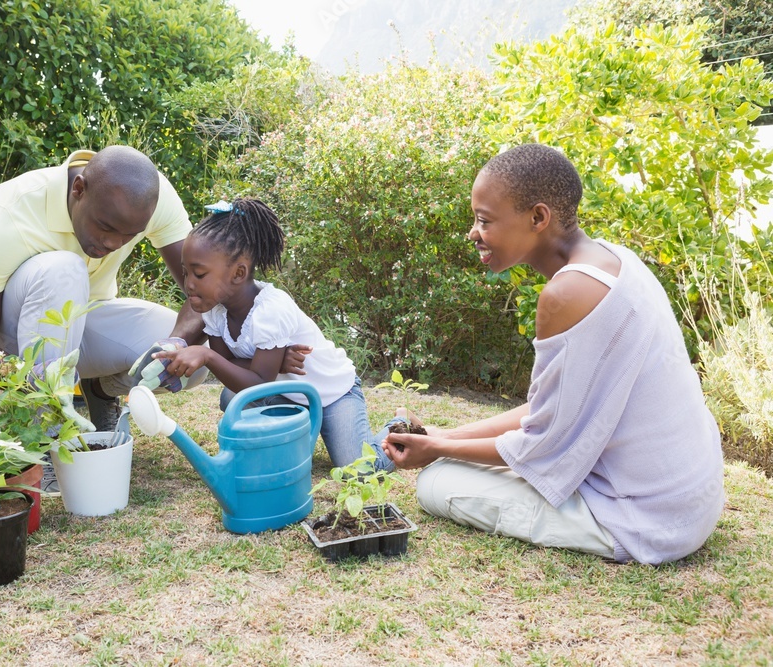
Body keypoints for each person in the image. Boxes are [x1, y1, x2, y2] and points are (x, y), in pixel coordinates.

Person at [382, 144, 725, 565]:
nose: (473, 233)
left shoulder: (565, 294)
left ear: (538, 218)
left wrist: (438, 451)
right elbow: (552, 411)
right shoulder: (618, 260)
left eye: (484, 220)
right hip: (693, 499)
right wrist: (441, 436)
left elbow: (541, 441)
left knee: (436, 484)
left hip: (648, 519)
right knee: (451, 462)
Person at [0, 146, 210, 436]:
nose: (113, 243)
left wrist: (177, 343)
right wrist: (30, 379)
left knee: (193, 356)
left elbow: (207, 291)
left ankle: (100, 390)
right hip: (16, 344)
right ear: (78, 190)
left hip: (84, 328)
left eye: (129, 235)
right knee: (64, 269)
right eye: (105, 226)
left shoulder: (150, 198)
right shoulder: (9, 212)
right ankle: (43, 436)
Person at [149, 198, 394, 470]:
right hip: (289, 396)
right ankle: (294, 437)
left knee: (358, 470)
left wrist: (207, 355)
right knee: (231, 398)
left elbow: (257, 381)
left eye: (199, 274)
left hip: (334, 395)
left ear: (238, 273)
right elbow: (230, 368)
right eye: (185, 273)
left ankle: (400, 425)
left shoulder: (270, 310)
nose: (189, 284)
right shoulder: (215, 311)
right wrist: (271, 363)